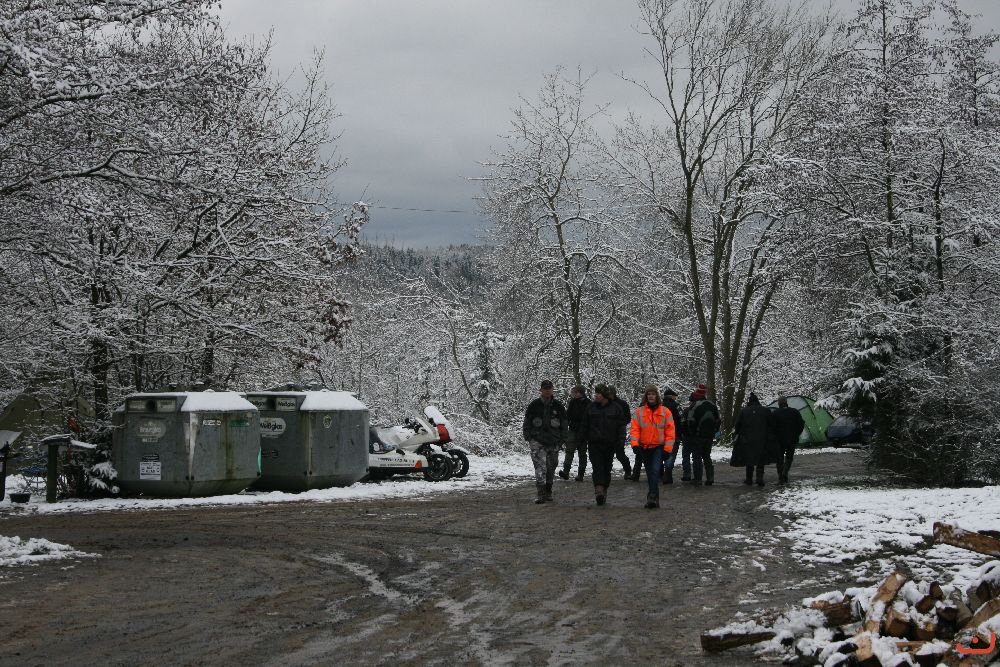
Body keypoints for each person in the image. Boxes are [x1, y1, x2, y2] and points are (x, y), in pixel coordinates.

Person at [522, 379, 568, 503]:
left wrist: (562, 440)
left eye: (549, 389)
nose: (547, 391)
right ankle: (541, 493)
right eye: (545, 389)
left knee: (551, 467)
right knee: (539, 467)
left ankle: (548, 490)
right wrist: (529, 437)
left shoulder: (558, 406)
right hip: (537, 440)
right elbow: (527, 422)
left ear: (552, 390)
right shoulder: (534, 405)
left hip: (554, 441)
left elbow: (564, 425)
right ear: (541, 390)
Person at [630, 385, 676, 508]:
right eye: (649, 394)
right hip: (644, 447)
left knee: (655, 471)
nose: (651, 396)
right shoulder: (639, 411)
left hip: (658, 447)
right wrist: (635, 445)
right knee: (650, 472)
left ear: (657, 396)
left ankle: (652, 496)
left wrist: (667, 449)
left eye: (653, 394)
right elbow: (635, 429)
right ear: (646, 396)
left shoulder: (665, 411)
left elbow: (670, 432)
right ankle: (653, 496)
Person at [583, 384, 627, 506]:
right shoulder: (590, 407)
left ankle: (604, 489)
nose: (596, 395)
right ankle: (599, 490)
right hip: (594, 444)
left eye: (599, 393)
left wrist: (621, 440)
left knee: (607, 468)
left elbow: (621, 426)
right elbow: (584, 425)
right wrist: (582, 439)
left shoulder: (616, 408)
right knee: (597, 467)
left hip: (610, 444)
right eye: (596, 393)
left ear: (605, 396)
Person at [733, 392, 778, 486]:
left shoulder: (744, 411)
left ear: (749, 401)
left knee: (749, 459)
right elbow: (772, 425)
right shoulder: (765, 411)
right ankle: (759, 478)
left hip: (747, 440)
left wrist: (739, 434)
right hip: (762, 439)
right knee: (761, 459)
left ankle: (749, 479)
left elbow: (738, 425)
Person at [686, 384, 720, 485]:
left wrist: (692, 433)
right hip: (709, 436)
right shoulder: (712, 405)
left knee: (696, 457)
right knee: (707, 456)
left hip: (697, 436)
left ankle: (698, 479)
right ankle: (710, 478)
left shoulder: (694, 405)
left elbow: (690, 421)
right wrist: (714, 431)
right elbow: (718, 420)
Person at [558, 385, 590, 482]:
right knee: (569, 450)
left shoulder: (588, 403)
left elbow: (590, 418)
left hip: (584, 432)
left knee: (582, 453)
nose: (573, 394)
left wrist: (586, 431)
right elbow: (568, 415)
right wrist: (565, 426)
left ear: (580, 392)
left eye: (575, 392)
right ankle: (566, 472)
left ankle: (580, 474)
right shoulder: (572, 402)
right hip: (572, 430)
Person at [772, 396, 805, 483]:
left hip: (779, 440)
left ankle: (781, 476)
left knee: (779, 459)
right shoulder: (794, 412)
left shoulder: (775, 413)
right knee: (789, 458)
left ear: (779, 403)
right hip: (792, 439)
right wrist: (796, 434)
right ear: (786, 402)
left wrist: (774, 437)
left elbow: (772, 427)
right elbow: (801, 424)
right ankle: (785, 473)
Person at [605, 386, 633, 479]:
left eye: (610, 394)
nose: (609, 396)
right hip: (607, 433)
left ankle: (628, 471)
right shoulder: (603, 404)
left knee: (620, 454)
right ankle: (606, 473)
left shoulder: (622, 404)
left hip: (619, 433)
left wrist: (620, 425)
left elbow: (628, 417)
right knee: (607, 455)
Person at [660, 387, 682, 484]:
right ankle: (668, 474)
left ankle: (660, 474)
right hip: (674, 434)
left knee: (660, 454)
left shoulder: (659, 407)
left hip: (660, 435)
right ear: (672, 397)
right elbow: (681, 420)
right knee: (671, 455)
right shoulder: (676, 406)